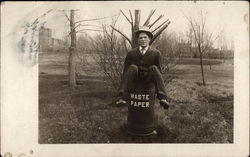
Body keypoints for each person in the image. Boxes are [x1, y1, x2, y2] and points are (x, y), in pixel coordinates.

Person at [116, 26, 170, 109]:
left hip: (148, 78)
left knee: (154, 68)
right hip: (135, 78)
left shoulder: (156, 53)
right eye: (140, 38)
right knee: (132, 67)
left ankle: (163, 98)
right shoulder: (131, 53)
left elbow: (159, 72)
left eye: (145, 37)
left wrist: (155, 87)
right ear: (138, 40)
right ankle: (121, 98)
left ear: (149, 39)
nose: (143, 39)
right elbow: (126, 71)